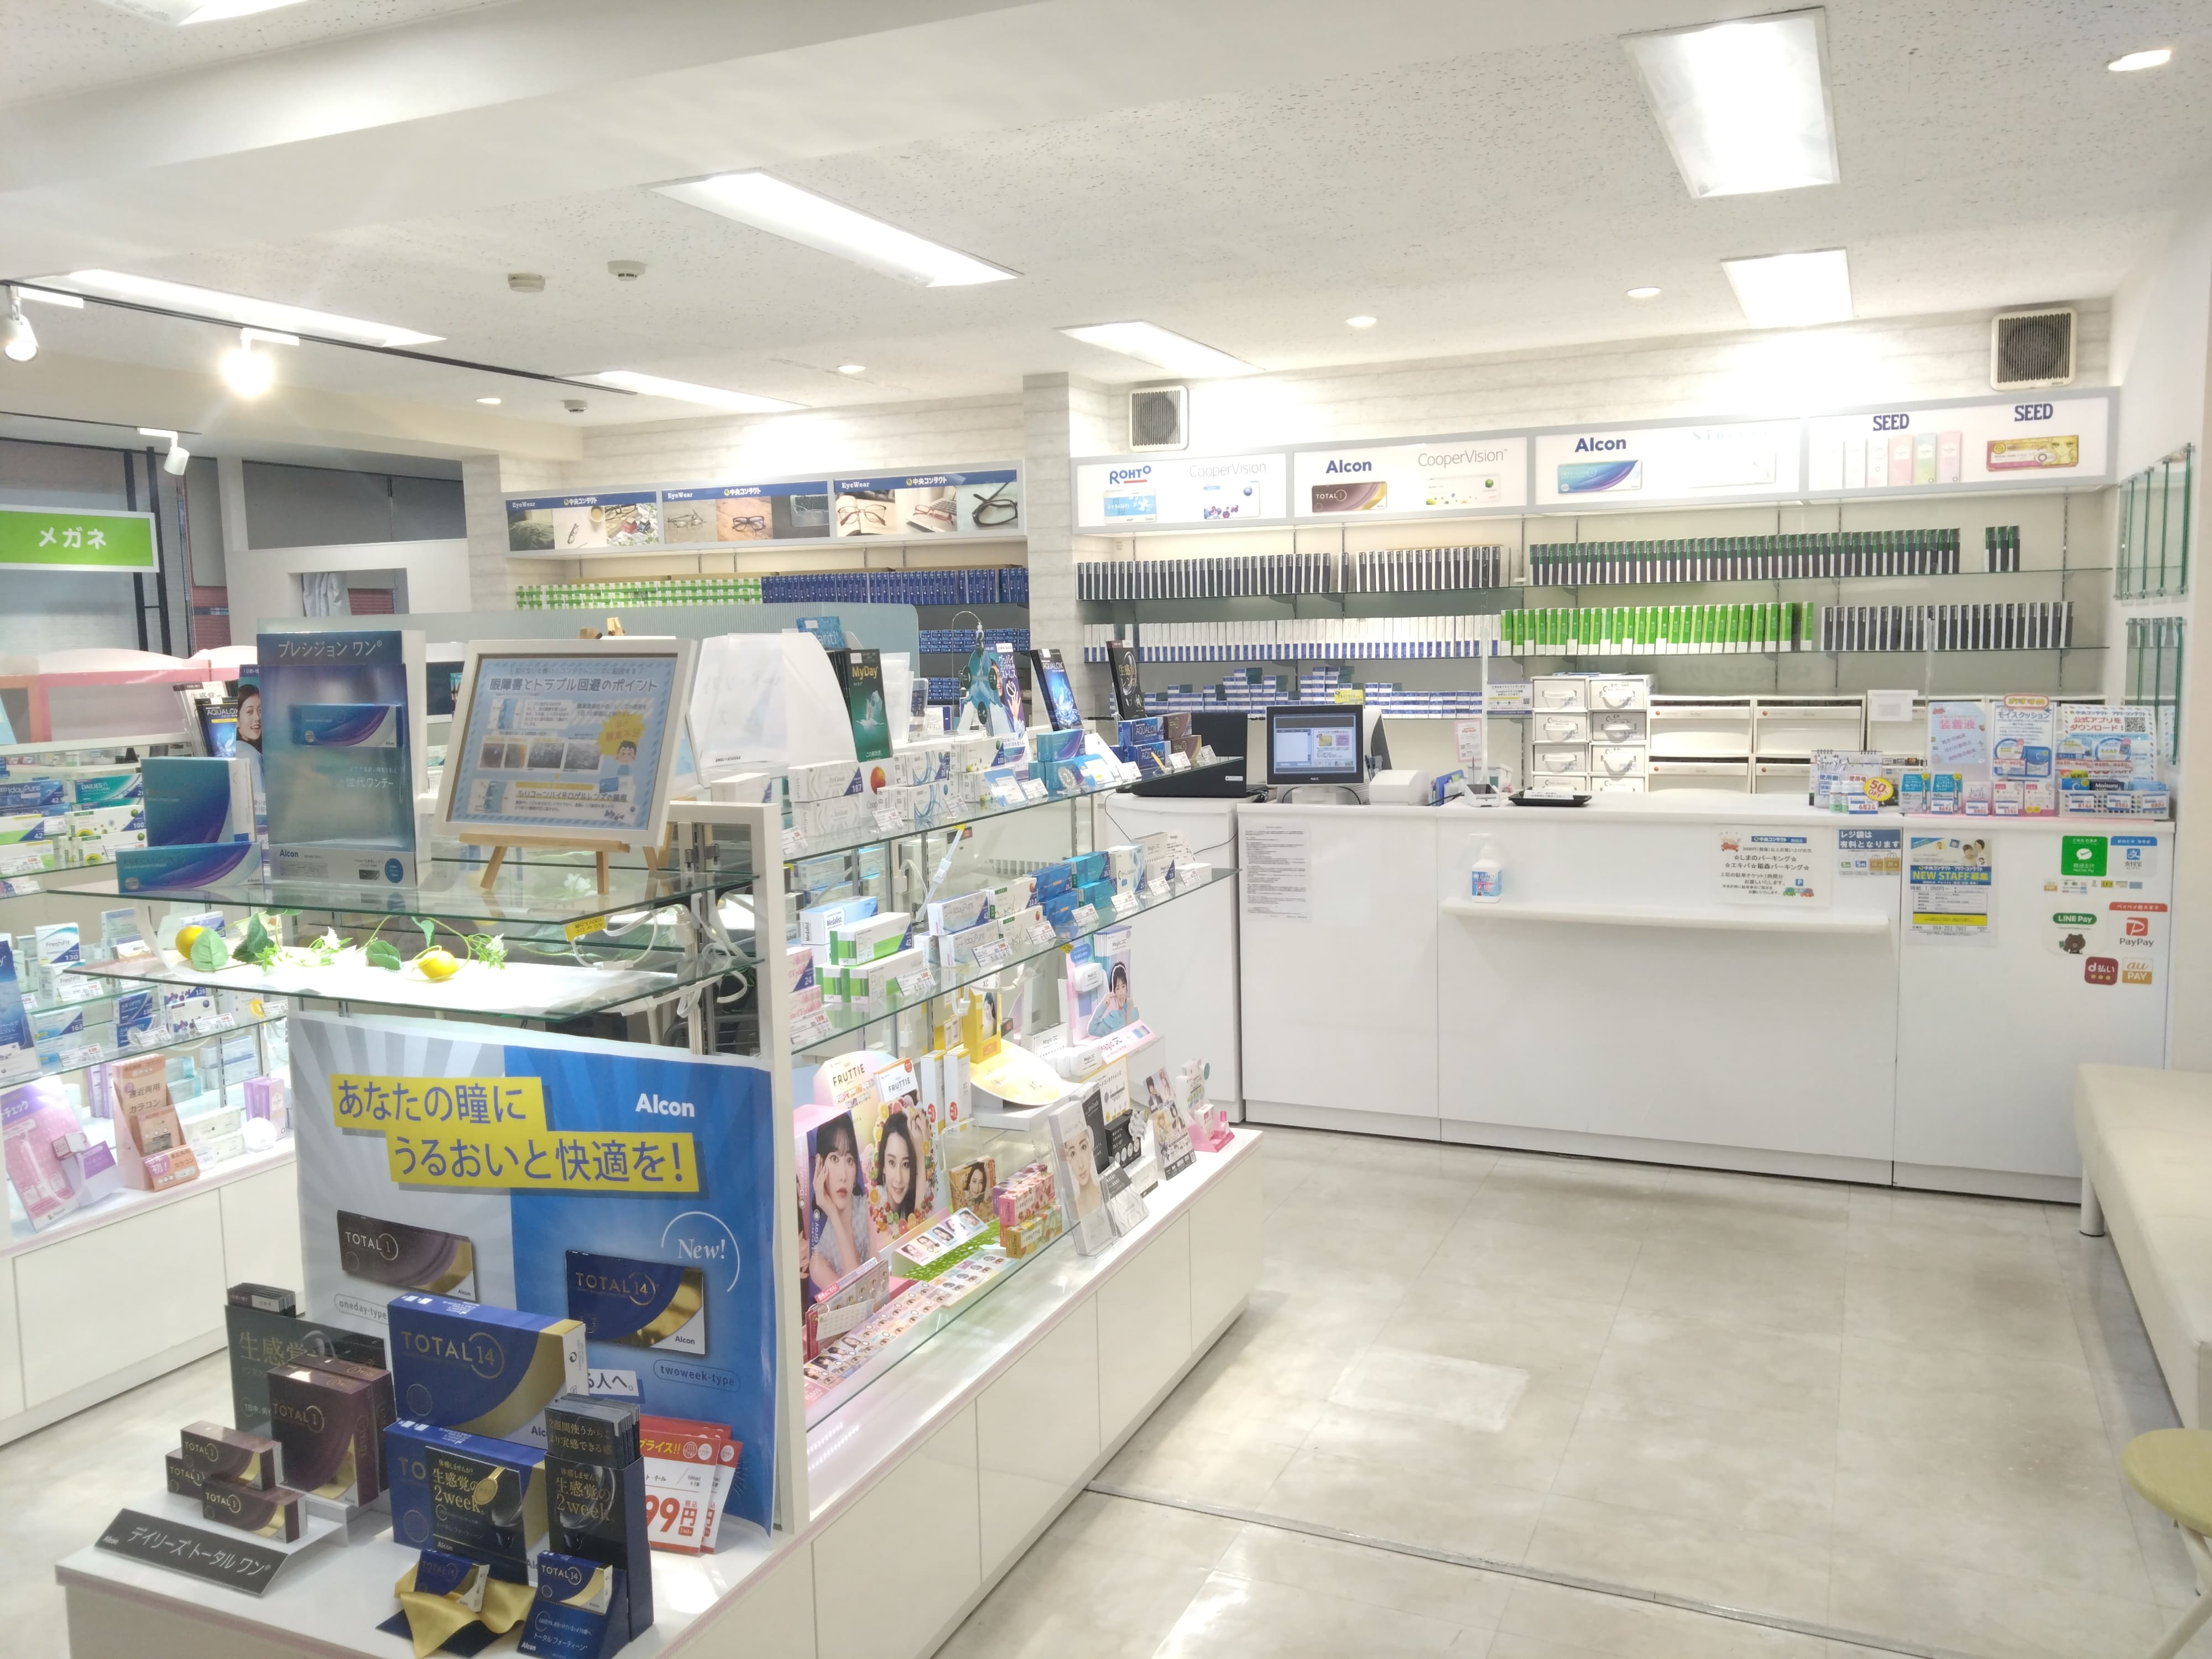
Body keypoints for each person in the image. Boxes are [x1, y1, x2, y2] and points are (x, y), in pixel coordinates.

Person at [807, 1115, 875, 1296]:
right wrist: (834, 1215)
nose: (843, 1175)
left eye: (850, 1160)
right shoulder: (818, 1262)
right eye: (835, 1159)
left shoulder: (868, 1209)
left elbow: (880, 1284)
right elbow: (855, 1297)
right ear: (820, 1164)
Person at [875, 1111, 921, 1234]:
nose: (898, 1179)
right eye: (892, 1163)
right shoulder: (874, 1206)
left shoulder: (909, 1206)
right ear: (883, 1166)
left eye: (906, 1165)